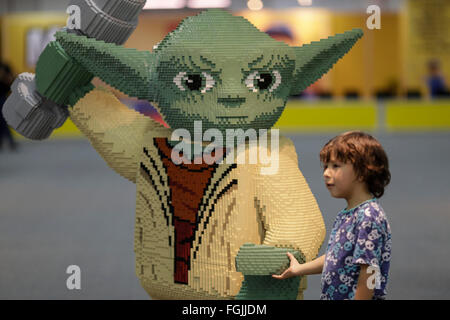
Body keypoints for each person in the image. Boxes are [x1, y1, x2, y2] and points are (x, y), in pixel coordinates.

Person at [273, 131, 392, 300]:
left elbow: (369, 273)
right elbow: (337, 257)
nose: (326, 173)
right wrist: (299, 269)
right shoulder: (349, 214)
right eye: (326, 166)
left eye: (336, 166)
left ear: (363, 172)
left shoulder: (368, 216)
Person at [0, 62, 18, 151]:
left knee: (3, 121)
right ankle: (10, 142)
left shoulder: (5, 66)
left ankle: (11, 141)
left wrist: (5, 77)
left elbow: (12, 80)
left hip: (2, 97)